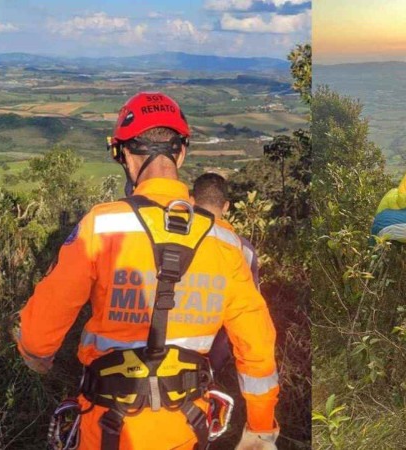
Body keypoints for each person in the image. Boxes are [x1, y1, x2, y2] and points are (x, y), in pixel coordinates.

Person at [16, 92, 280, 450]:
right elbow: (258, 346)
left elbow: (36, 336)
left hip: (107, 428)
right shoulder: (226, 242)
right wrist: (261, 428)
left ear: (124, 154)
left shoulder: (102, 227)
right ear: (182, 153)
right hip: (188, 427)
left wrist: (38, 357)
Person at [191, 173, 260, 375]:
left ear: (191, 201)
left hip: (171, 354)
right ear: (226, 206)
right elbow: (249, 311)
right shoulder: (242, 248)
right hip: (218, 355)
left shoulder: (173, 238)